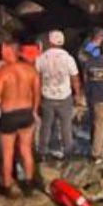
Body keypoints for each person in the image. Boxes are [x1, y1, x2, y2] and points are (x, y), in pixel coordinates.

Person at [0, 42, 40, 192]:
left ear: (10, 51)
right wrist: (35, 111)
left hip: (9, 115)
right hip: (26, 113)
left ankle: (7, 185)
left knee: (7, 153)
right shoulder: (31, 70)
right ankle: (28, 184)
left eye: (4, 50)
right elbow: (37, 93)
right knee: (26, 150)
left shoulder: (3, 71)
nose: (2, 53)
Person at [36, 30, 80, 158]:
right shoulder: (68, 58)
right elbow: (75, 78)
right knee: (66, 126)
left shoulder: (41, 58)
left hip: (47, 97)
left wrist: (37, 97)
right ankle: (68, 152)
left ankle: (42, 152)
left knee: (46, 126)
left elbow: (37, 80)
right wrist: (77, 94)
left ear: (50, 42)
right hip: (64, 97)